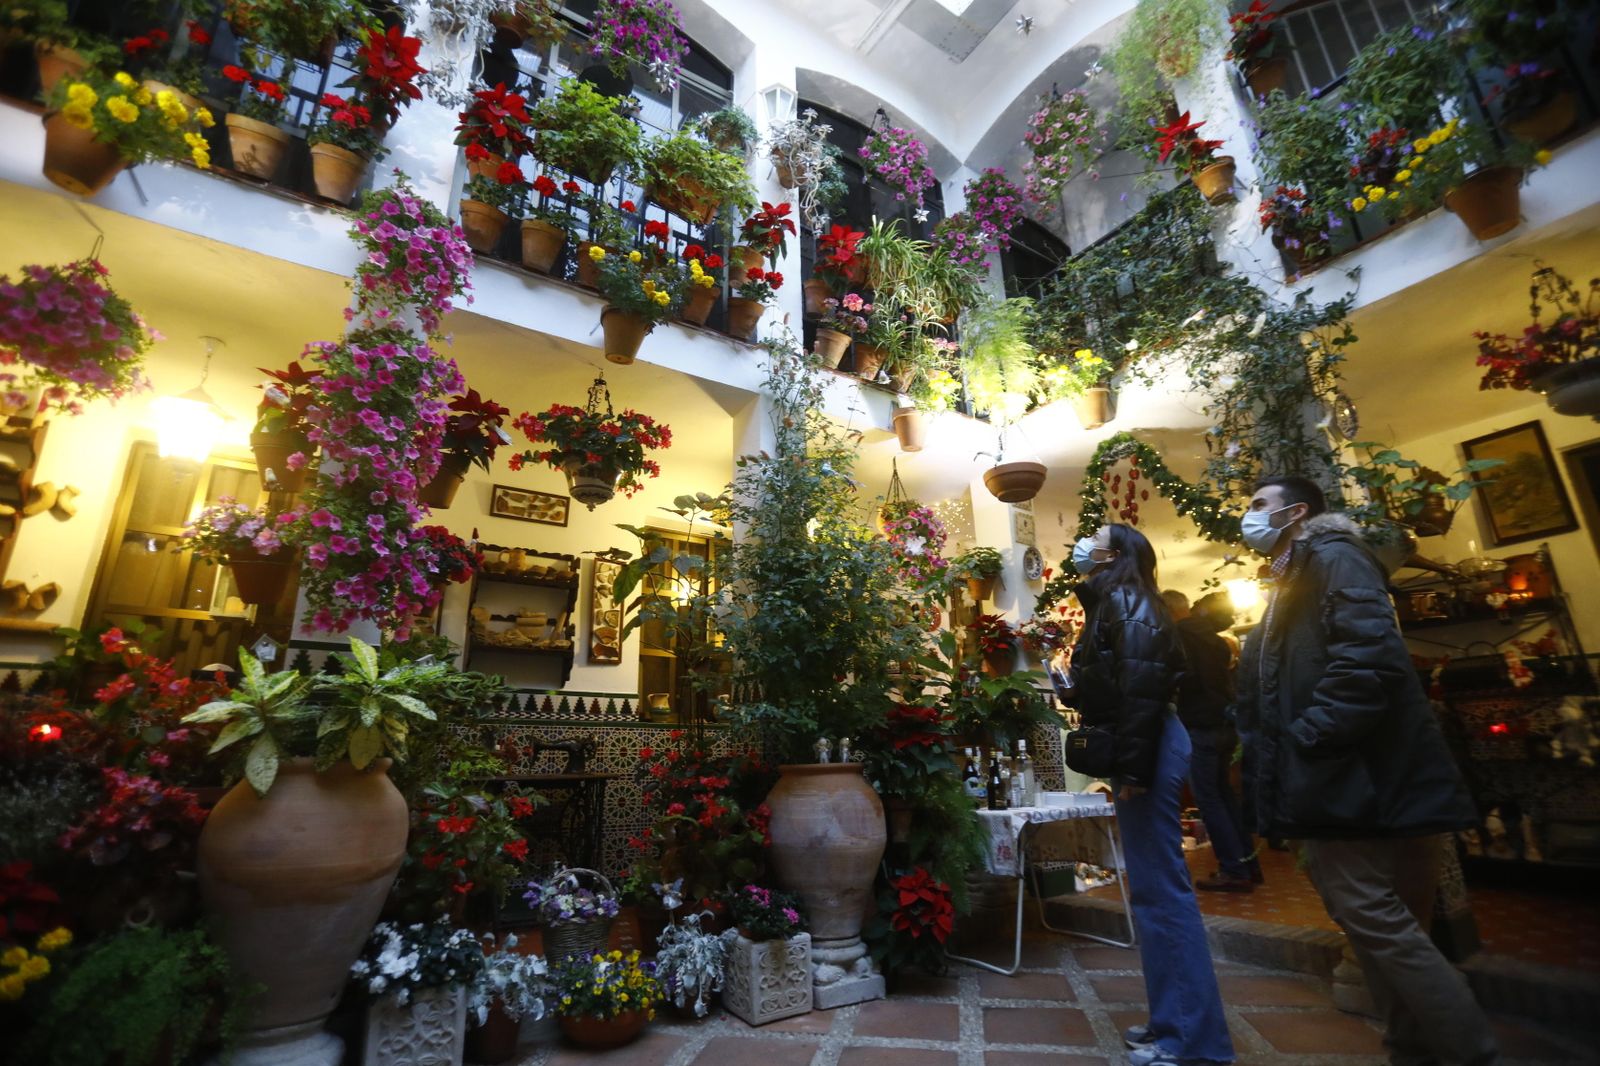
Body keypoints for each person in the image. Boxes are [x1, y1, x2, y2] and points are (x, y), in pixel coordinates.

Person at [1234, 476, 1499, 1066]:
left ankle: (1474, 1050)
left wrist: (1309, 739)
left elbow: (1367, 658)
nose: (1247, 517)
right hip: (1370, 775)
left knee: (1376, 923)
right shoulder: (1300, 571)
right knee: (1392, 933)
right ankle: (1410, 1051)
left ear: (1296, 512)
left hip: (1354, 777)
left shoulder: (1331, 557)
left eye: (1258, 506)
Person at [1067, 524, 1233, 1066]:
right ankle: (1173, 1022)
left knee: (1163, 893)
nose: (1081, 544)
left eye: (1092, 538)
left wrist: (1133, 768)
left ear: (1115, 555)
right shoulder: (1114, 601)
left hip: (1148, 748)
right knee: (1151, 893)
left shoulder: (1127, 599)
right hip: (1143, 745)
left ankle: (1193, 1044)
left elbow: (1143, 689)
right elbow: (1122, 680)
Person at [1161, 589, 1260, 892]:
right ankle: (1249, 865)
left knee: (1209, 799)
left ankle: (1233, 869)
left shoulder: (1178, 638)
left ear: (1169, 610)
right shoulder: (1216, 639)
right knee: (1226, 796)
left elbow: (1179, 680)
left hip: (1199, 724)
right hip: (1225, 723)